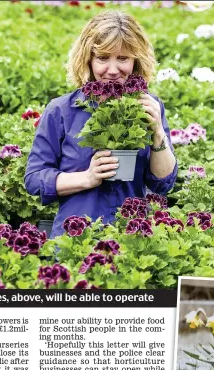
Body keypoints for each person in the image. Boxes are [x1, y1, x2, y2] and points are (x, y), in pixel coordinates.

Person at [24, 11, 178, 238]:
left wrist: (156, 132)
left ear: (136, 60)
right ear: (88, 59)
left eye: (123, 58)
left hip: (133, 237)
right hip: (75, 236)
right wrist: (87, 177)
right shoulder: (62, 110)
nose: (113, 70)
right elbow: (35, 179)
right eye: (103, 58)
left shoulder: (149, 106)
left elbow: (164, 183)